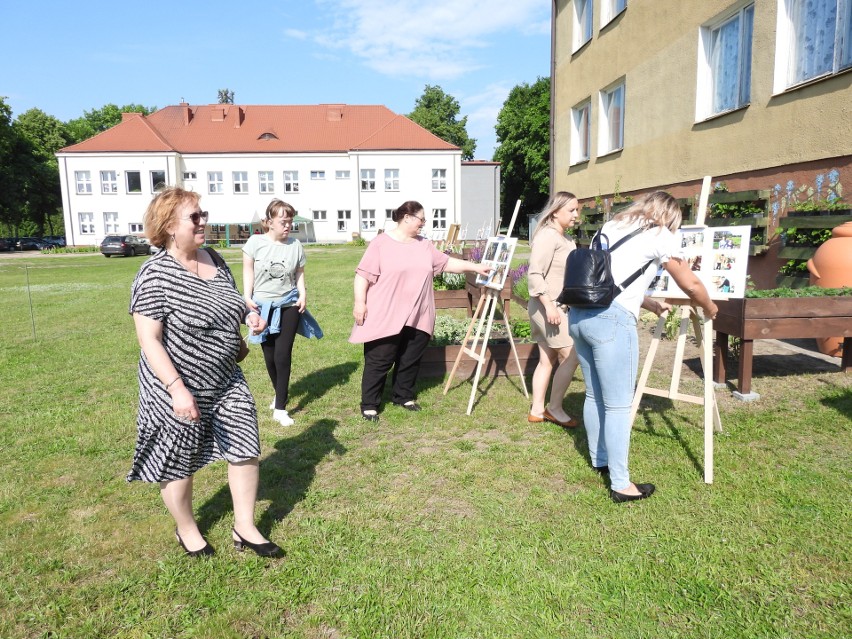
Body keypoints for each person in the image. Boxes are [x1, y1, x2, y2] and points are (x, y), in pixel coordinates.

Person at [128, 186, 281, 557]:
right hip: (177, 384)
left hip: (226, 377)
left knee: (245, 445)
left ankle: (244, 526)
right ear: (167, 226)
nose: (203, 222)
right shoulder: (154, 275)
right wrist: (177, 388)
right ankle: (187, 529)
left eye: (203, 214)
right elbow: (149, 340)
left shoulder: (214, 257)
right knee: (179, 458)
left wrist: (250, 315)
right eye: (194, 217)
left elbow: (233, 299)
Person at [568, 191, 718, 504]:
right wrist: (709, 306)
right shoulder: (659, 234)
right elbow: (688, 283)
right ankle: (621, 485)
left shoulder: (613, 224)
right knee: (620, 405)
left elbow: (610, 278)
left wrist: (647, 302)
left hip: (581, 316)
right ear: (671, 216)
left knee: (595, 395)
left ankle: (600, 460)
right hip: (612, 323)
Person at [350, 201, 492, 421]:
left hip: (418, 312)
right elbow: (362, 275)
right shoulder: (381, 243)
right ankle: (370, 404)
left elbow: (446, 263)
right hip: (386, 312)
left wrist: (475, 267)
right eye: (421, 219)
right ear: (407, 217)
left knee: (410, 357)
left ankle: (403, 395)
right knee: (380, 359)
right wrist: (360, 303)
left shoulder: (424, 245)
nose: (423, 224)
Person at [243, 199, 322, 427]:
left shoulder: (295, 245)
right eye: (283, 222)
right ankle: (279, 393)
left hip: (289, 304)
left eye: (290, 222)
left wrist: (302, 294)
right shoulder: (255, 242)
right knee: (269, 356)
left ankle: (280, 408)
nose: (287, 226)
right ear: (269, 222)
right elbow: (248, 270)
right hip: (261, 306)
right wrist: (248, 297)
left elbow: (299, 273)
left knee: (282, 354)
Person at [526, 192, 581, 428]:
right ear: (555, 211)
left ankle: (537, 410)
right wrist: (550, 306)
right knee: (571, 355)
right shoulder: (548, 237)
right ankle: (554, 408)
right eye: (571, 210)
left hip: (556, 307)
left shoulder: (566, 239)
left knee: (546, 359)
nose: (576, 215)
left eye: (577, 210)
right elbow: (535, 273)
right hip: (549, 308)